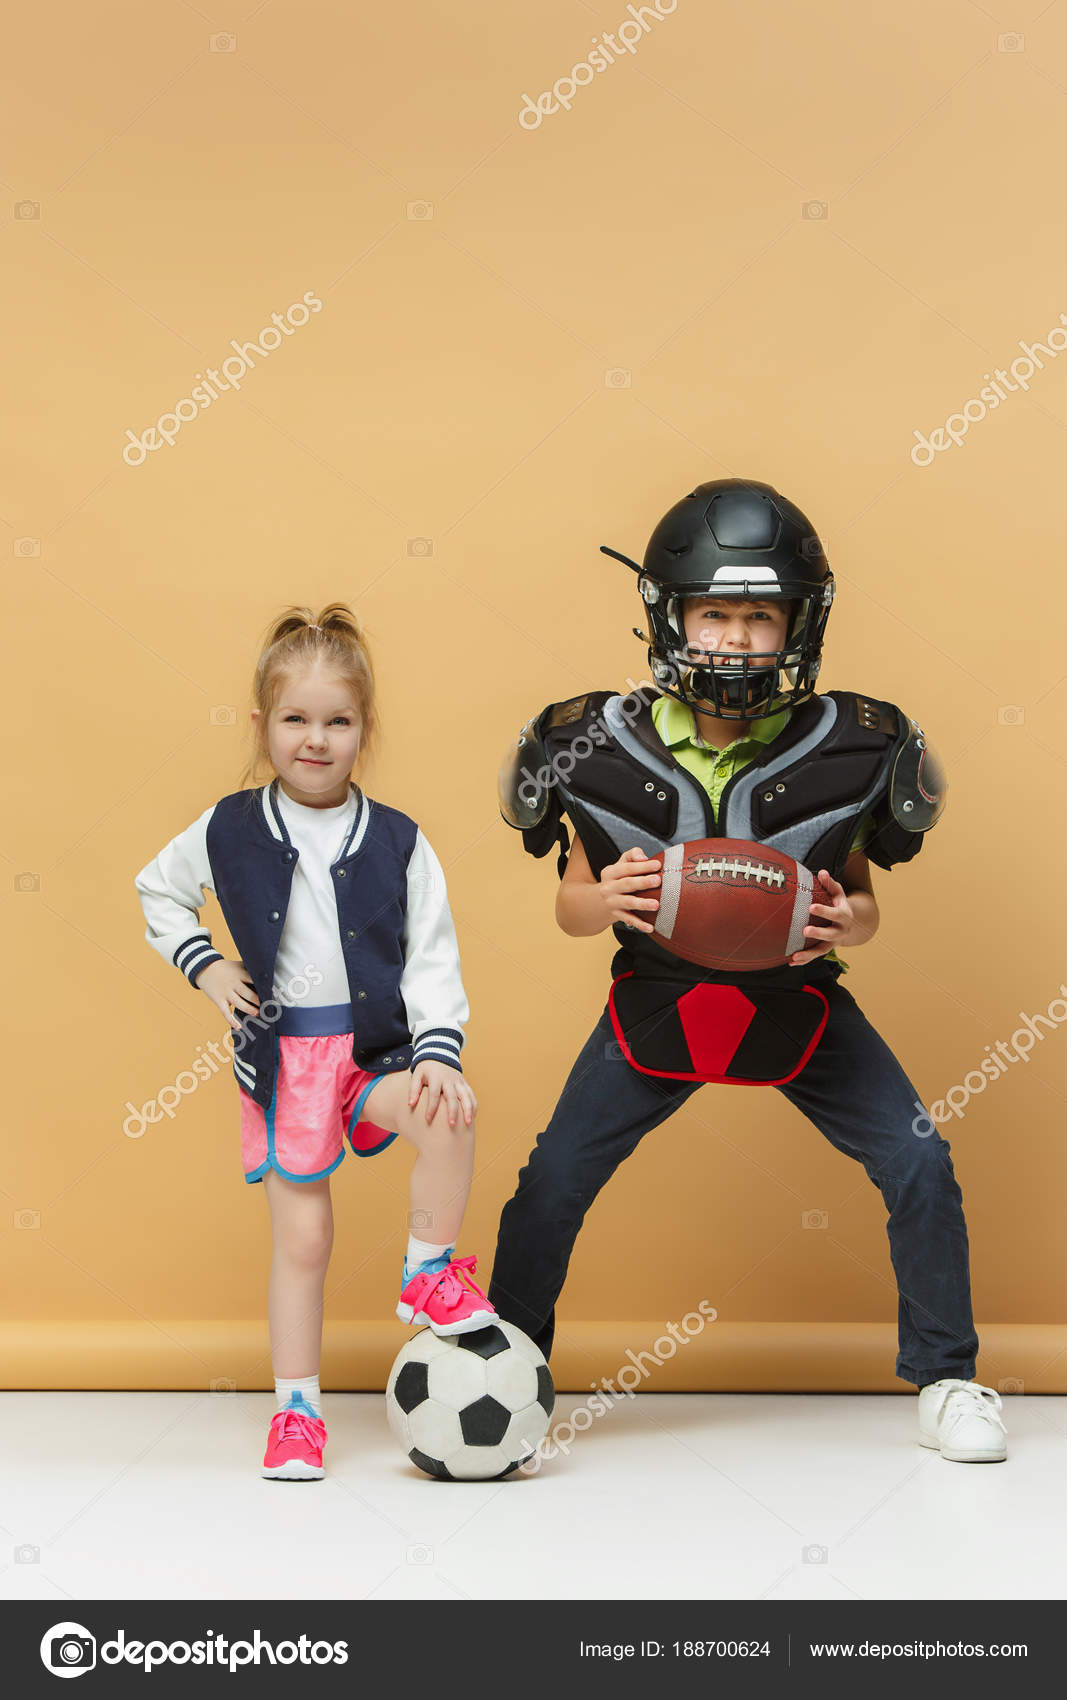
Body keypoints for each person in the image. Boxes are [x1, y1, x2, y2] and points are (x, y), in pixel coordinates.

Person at [491, 479, 1007, 1465]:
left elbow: (860, 900)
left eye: (757, 614)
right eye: (713, 613)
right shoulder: (588, 742)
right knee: (553, 1175)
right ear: (669, 616)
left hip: (794, 998)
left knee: (917, 1161)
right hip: (658, 997)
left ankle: (947, 1376)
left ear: (796, 623)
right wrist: (607, 900)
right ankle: (508, 1370)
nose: (733, 637)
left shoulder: (854, 745)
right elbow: (568, 899)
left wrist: (837, 921)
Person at [134, 604, 496, 1481]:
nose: (316, 739)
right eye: (296, 719)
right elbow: (156, 890)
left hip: (374, 1051)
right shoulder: (227, 827)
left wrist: (438, 1051)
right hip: (288, 1062)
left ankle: (426, 1269)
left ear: (364, 731)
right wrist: (208, 968)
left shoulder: (401, 841)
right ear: (262, 726)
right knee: (304, 1243)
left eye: (337, 721)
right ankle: (296, 1411)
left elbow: (432, 952)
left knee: (448, 1114)